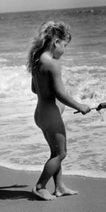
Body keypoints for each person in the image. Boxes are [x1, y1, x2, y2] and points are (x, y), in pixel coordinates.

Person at [27, 21, 91, 201]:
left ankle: (60, 187)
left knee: (55, 152)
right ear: (55, 42)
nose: (65, 50)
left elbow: (34, 89)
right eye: (64, 45)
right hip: (51, 115)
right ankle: (40, 186)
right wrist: (80, 106)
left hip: (40, 113)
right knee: (61, 153)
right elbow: (60, 93)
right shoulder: (53, 64)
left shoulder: (37, 60)